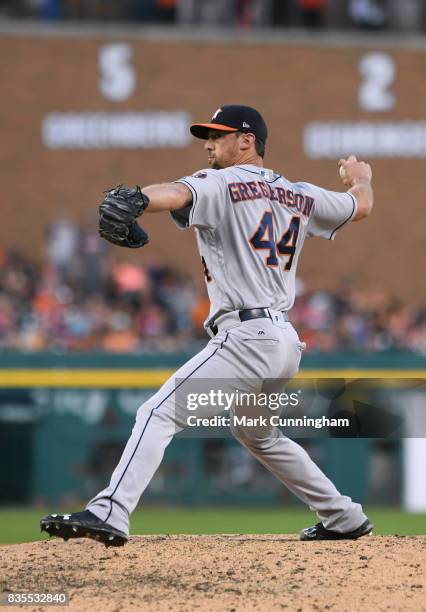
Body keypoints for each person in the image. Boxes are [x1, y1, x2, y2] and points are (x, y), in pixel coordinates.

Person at [41, 105, 374, 546]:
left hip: (247, 336)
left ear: (247, 140)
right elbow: (361, 207)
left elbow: (177, 193)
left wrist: (138, 198)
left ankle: (110, 511)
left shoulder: (222, 180)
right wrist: (360, 178)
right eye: (207, 136)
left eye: (218, 135)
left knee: (157, 413)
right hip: (283, 342)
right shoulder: (300, 193)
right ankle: (344, 517)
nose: (208, 143)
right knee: (257, 433)